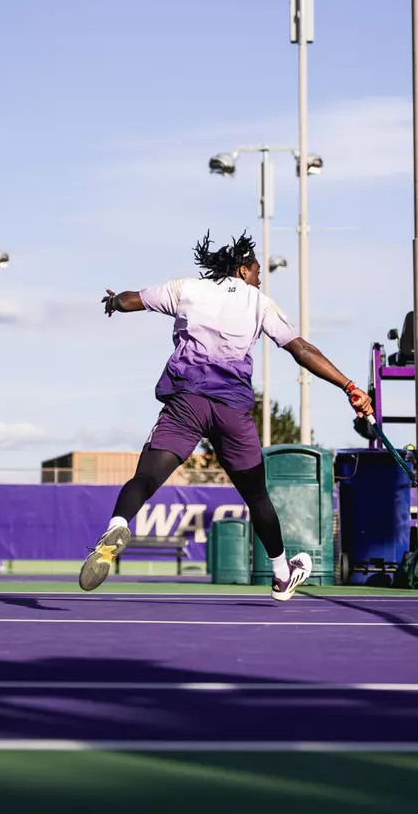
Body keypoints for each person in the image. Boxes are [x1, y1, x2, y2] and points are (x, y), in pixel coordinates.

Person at [79, 231, 373, 601]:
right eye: (257, 272)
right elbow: (301, 349)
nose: (260, 279)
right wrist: (348, 386)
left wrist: (113, 302)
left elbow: (129, 300)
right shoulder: (260, 304)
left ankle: (118, 525)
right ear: (242, 270)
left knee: (146, 478)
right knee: (257, 496)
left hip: (186, 404)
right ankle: (282, 574)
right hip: (231, 411)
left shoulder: (185, 289)